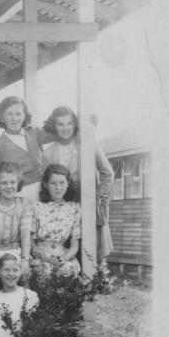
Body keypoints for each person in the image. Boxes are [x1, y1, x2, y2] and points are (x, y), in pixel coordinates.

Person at [41, 105, 114, 262]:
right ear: (54, 126)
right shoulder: (48, 154)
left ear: (75, 124)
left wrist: (98, 200)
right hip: (63, 211)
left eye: (69, 123)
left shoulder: (87, 143)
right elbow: (48, 183)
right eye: (60, 124)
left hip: (88, 205)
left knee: (93, 257)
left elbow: (107, 173)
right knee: (68, 255)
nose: (65, 128)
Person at [0, 95, 45, 198]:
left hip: (43, 191)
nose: (14, 118)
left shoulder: (33, 133)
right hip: (19, 194)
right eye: (9, 114)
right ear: (2, 117)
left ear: (24, 115)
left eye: (18, 113)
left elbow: (59, 132)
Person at [31, 164, 82, 279]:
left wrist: (63, 259)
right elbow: (31, 244)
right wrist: (48, 259)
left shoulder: (73, 209)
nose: (58, 188)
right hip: (41, 256)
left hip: (63, 256)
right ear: (45, 184)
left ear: (68, 183)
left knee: (69, 270)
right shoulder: (37, 208)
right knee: (44, 272)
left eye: (62, 183)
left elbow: (75, 246)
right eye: (53, 183)